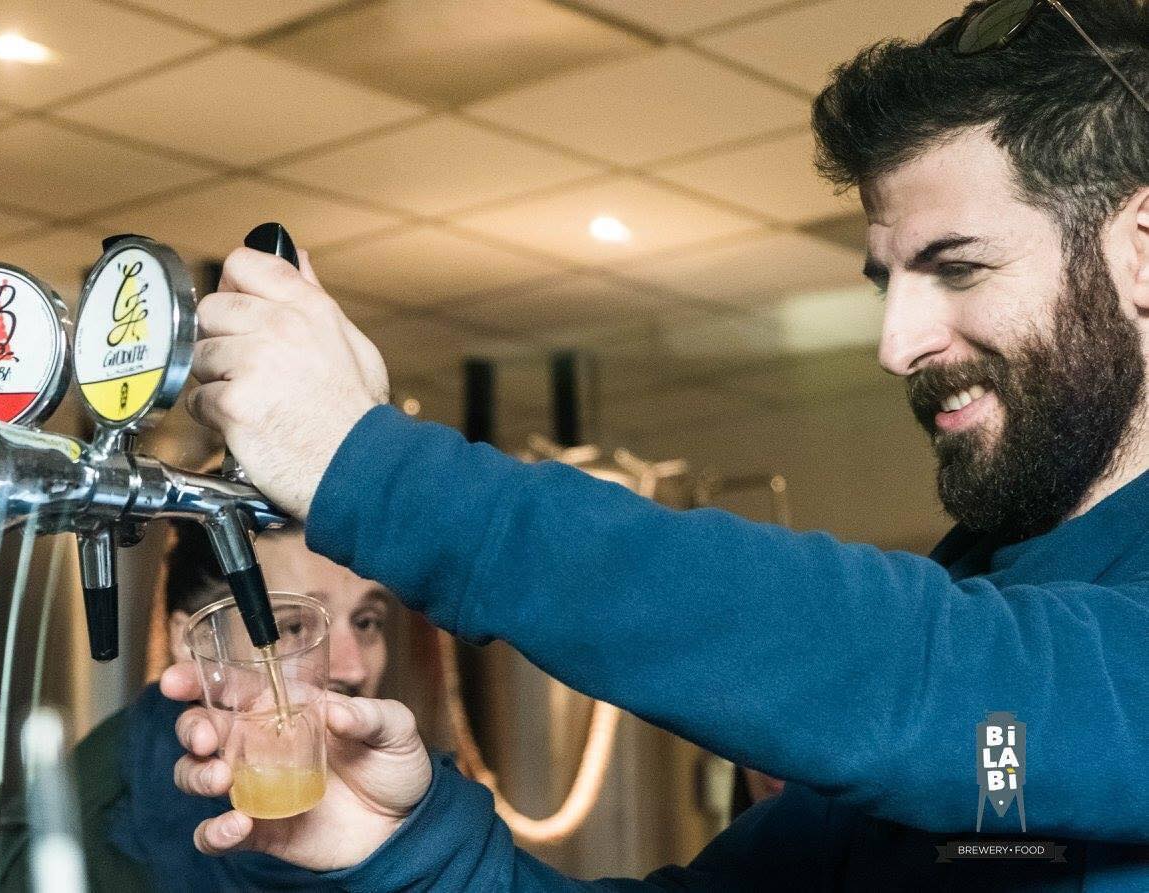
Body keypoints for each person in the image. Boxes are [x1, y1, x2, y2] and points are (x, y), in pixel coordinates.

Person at [165, 0, 1149, 887]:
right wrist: (406, 851)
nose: (897, 345)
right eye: (887, 284)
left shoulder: (965, 674)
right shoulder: (970, 626)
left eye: (958, 267)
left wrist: (375, 470)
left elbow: (931, 674)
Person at [0, 520, 394, 891]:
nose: (353, 668)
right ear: (197, 643)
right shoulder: (76, 843)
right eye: (293, 626)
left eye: (366, 622)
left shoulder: (403, 805)